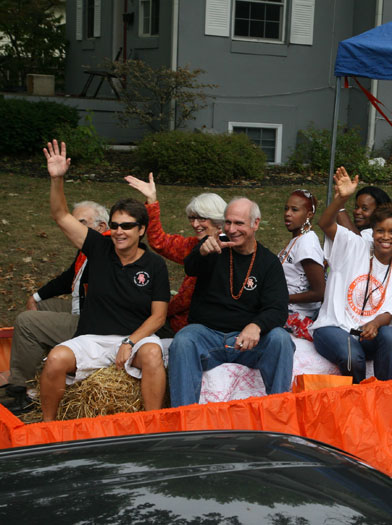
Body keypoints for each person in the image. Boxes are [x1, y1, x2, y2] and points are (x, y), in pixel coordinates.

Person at [40, 140, 171, 422]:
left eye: (126, 226)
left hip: (136, 341)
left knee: (151, 353)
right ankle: (47, 429)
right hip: (93, 339)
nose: (118, 232)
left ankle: (154, 426)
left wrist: (129, 340)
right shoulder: (99, 248)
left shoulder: (154, 265)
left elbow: (159, 317)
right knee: (55, 360)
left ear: (141, 230)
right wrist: (57, 179)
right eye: (114, 226)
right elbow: (60, 215)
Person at [168, 197, 295, 407]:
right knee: (184, 339)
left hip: (248, 343)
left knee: (280, 339)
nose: (232, 229)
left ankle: (278, 411)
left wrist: (256, 326)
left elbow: (278, 308)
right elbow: (191, 267)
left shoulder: (268, 262)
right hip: (209, 336)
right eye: (228, 222)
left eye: (239, 223)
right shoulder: (213, 246)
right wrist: (201, 251)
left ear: (255, 224)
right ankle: (184, 418)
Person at [1, 201, 109, 414]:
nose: (73, 228)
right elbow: (69, 278)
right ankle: (40, 368)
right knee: (41, 306)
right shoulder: (87, 249)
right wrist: (37, 295)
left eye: (81, 223)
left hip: (93, 323)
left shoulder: (105, 250)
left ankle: (25, 389)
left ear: (102, 227)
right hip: (82, 307)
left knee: (27, 321)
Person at [311, 167, 392, 383]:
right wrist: (341, 200)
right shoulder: (355, 245)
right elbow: (325, 224)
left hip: (364, 334)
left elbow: (390, 312)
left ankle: (386, 395)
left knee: (390, 335)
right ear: (372, 232)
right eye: (380, 231)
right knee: (353, 356)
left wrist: (375, 324)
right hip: (332, 327)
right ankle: (361, 403)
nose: (385, 237)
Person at [125, 172, 227, 334]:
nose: (195, 224)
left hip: (199, 330)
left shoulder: (230, 250)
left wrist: (164, 312)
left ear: (218, 219)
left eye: (202, 219)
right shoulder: (192, 245)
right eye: (192, 218)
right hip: (177, 322)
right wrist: (151, 200)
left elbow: (187, 298)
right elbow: (160, 242)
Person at [279, 189, 325, 340]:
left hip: (297, 318)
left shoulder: (307, 242)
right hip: (283, 309)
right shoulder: (297, 239)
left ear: (309, 215)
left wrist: (283, 298)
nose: (287, 213)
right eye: (286, 208)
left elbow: (320, 292)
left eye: (294, 210)